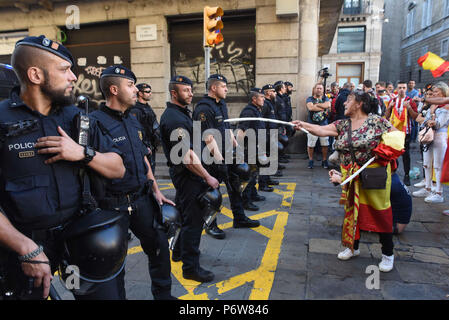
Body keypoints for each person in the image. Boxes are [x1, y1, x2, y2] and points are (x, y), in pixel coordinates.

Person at [0, 35, 126, 300]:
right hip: (24, 249)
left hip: (81, 241)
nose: (72, 77)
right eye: (64, 70)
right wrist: (25, 247)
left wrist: (82, 153)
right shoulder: (2, 120)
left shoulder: (76, 118)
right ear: (35, 74)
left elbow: (118, 168)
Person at [89, 65, 176, 300]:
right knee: (114, 261)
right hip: (111, 205)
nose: (136, 89)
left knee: (159, 247)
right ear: (114, 89)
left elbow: (143, 157)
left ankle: (163, 295)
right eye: (130, 85)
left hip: (141, 198)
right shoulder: (94, 123)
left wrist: (156, 190)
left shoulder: (134, 119)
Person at [293, 90, 402, 273]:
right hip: (350, 176)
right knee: (352, 211)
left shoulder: (377, 121)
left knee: (380, 213)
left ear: (359, 103)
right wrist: (302, 124)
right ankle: (352, 247)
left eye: (348, 100)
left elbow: (397, 138)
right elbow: (321, 130)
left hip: (374, 177)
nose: (343, 103)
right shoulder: (343, 124)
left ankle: (387, 254)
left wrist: (383, 151)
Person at [160, 75, 219, 283]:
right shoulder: (174, 119)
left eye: (191, 89)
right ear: (174, 93)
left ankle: (178, 252)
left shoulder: (182, 113)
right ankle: (191, 268)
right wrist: (208, 177)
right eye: (186, 90)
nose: (191, 93)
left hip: (190, 176)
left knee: (186, 217)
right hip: (189, 177)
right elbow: (186, 158)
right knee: (193, 222)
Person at [192, 74, 260, 239]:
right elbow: (208, 138)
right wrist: (220, 160)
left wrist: (236, 147)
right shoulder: (203, 108)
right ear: (214, 88)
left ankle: (239, 218)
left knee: (235, 187)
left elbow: (227, 127)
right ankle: (211, 224)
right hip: (212, 158)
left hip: (227, 153)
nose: (227, 89)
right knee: (212, 192)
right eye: (223, 86)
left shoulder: (220, 103)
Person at [411, 82, 449, 203]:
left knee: (438, 165)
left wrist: (431, 115)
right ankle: (427, 187)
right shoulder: (433, 106)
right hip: (429, 136)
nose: (434, 94)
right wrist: (429, 118)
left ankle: (438, 192)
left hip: (439, 137)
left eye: (437, 92)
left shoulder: (445, 106)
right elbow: (423, 121)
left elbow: (438, 124)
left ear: (443, 93)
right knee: (426, 163)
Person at [236, 88, 269, 211]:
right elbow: (242, 131)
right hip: (249, 149)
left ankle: (253, 194)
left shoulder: (256, 110)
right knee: (248, 176)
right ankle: (246, 200)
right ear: (254, 99)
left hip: (256, 148)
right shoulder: (248, 112)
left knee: (254, 173)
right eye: (261, 97)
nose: (264, 99)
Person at [385, 81, 418, 186]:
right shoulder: (393, 100)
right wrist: (389, 107)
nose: (402, 90)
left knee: (405, 154)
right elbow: (386, 116)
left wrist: (409, 108)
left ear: (406, 88)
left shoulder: (410, 101)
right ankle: (393, 173)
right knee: (392, 153)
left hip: (405, 131)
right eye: (400, 87)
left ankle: (406, 175)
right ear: (396, 88)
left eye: (404, 87)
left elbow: (415, 117)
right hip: (394, 131)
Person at [129, 83, 161, 173]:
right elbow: (135, 130)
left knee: (151, 170)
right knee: (146, 172)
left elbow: (154, 126)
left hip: (151, 145)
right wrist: (144, 146)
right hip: (145, 147)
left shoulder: (147, 107)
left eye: (150, 91)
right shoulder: (135, 110)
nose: (150, 93)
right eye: (147, 92)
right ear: (140, 93)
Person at [259, 83, 280, 191]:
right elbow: (261, 121)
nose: (275, 93)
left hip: (270, 134)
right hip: (266, 135)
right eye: (273, 91)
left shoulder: (270, 103)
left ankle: (267, 179)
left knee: (268, 159)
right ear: (268, 92)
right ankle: (263, 183)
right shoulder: (265, 104)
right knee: (264, 160)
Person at [305, 82, 331, 169]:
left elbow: (328, 105)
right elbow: (310, 108)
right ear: (314, 89)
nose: (319, 90)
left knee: (325, 144)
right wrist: (323, 107)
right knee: (311, 144)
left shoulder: (325, 98)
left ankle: (324, 161)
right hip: (312, 125)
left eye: (320, 88)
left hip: (324, 125)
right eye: (317, 88)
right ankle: (311, 160)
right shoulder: (310, 98)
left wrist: (317, 105)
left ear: (323, 90)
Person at [273, 81, 289, 166]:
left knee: (282, 142)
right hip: (278, 124)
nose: (285, 88)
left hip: (282, 124)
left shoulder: (282, 98)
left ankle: (280, 158)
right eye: (284, 87)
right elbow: (277, 113)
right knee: (277, 144)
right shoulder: (277, 99)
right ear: (280, 89)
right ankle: (277, 161)